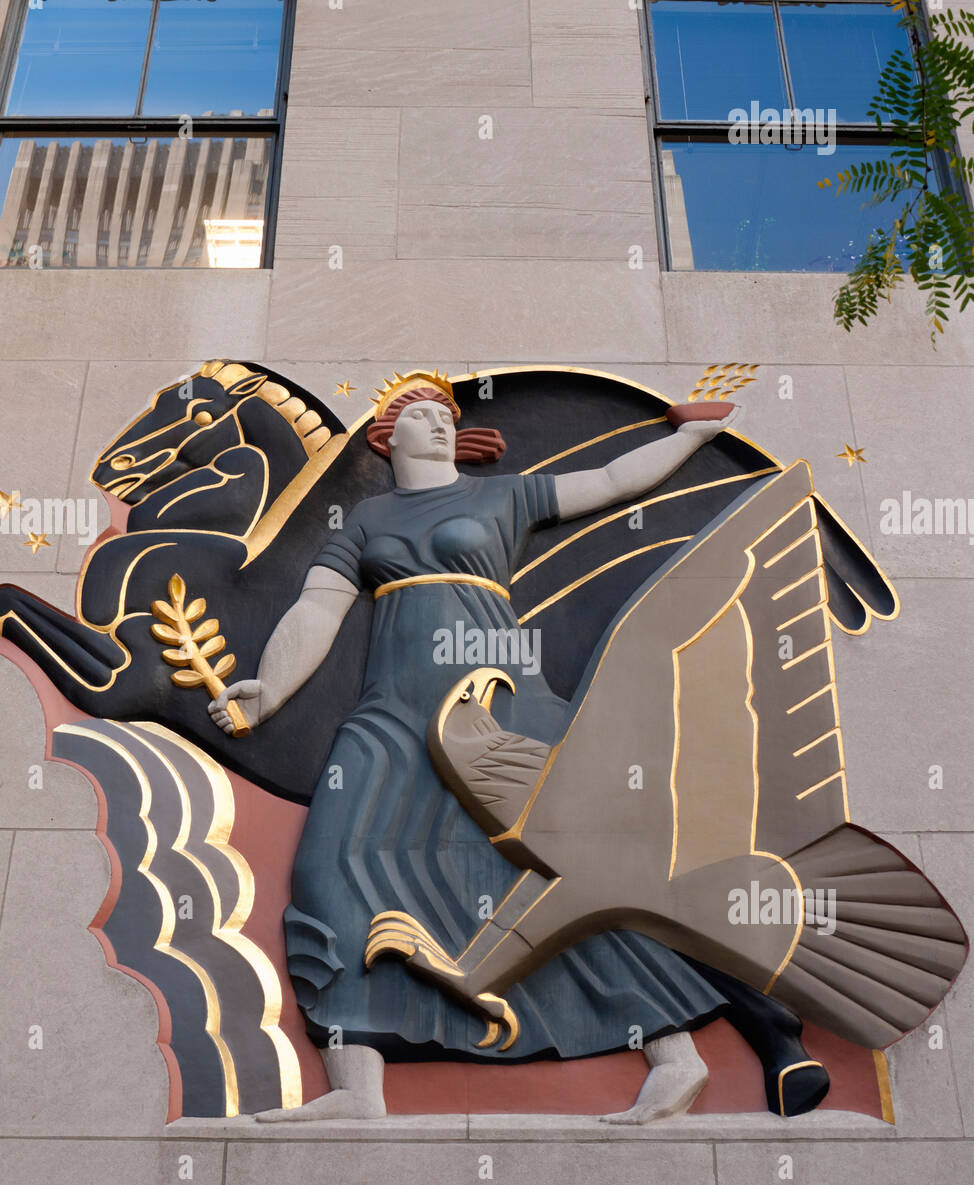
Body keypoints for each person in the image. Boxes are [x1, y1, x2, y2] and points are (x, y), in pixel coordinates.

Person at [210, 371, 827, 1123]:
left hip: (501, 702)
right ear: (385, 436)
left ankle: (676, 1058)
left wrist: (687, 439)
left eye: (447, 415)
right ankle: (355, 1088)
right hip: (395, 713)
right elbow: (318, 606)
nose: (440, 424)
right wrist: (269, 690)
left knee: (577, 873)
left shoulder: (502, 494)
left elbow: (607, 481)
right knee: (330, 867)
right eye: (421, 416)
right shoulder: (367, 519)